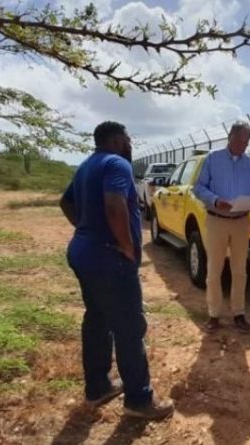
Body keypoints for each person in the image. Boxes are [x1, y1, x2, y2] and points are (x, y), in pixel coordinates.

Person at [60, 121, 175, 421]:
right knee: (128, 328)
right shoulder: (117, 163)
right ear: (115, 140)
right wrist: (125, 246)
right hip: (110, 262)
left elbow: (66, 202)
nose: (129, 144)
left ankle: (98, 387)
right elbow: (114, 205)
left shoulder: (87, 164)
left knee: (97, 319)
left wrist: (88, 231)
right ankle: (139, 399)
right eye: (127, 138)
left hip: (83, 255)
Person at [192, 121, 250, 334]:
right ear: (231, 137)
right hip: (216, 218)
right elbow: (198, 187)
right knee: (214, 270)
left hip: (241, 222)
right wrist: (216, 201)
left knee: (239, 271)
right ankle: (214, 315)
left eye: (247, 142)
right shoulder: (212, 158)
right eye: (242, 141)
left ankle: (239, 314)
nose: (245, 146)